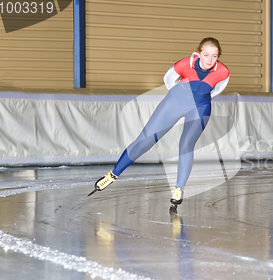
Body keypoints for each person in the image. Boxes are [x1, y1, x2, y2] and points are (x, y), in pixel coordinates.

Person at [89, 37, 230, 212]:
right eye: (206, 55)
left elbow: (217, 89)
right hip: (175, 102)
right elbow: (169, 79)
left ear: (218, 57)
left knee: (186, 145)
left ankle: (178, 190)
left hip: (200, 107)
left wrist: (200, 98)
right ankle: (112, 175)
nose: (210, 60)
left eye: (214, 56)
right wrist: (180, 94)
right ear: (199, 53)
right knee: (146, 140)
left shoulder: (223, 71)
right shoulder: (185, 64)